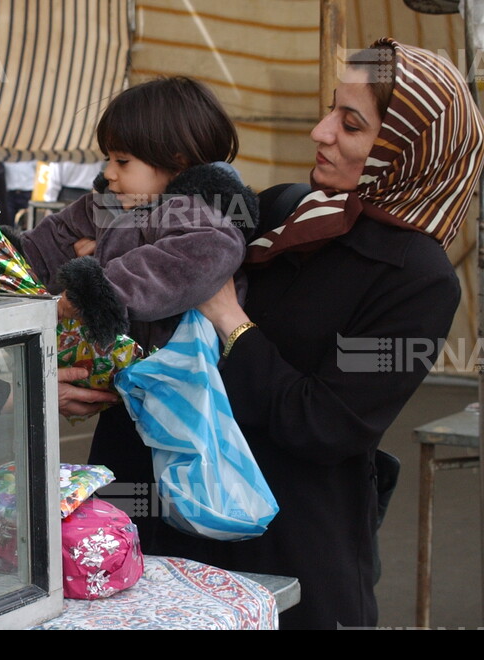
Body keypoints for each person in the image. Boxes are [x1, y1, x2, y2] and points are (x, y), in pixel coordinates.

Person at [168, 39, 484, 630]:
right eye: (331, 109)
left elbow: (325, 424)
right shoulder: (289, 211)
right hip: (191, 524)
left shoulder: (418, 278)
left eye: (352, 124)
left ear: (404, 151)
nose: (320, 131)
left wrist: (230, 318)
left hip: (297, 551)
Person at [19, 77, 257, 530]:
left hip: (182, 388)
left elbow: (198, 256)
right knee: (117, 510)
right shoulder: (114, 202)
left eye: (122, 160)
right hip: (126, 395)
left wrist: (99, 289)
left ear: (178, 161)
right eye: (108, 158)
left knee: (178, 500)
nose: (109, 171)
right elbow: (53, 239)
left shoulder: (201, 214)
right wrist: (8, 260)